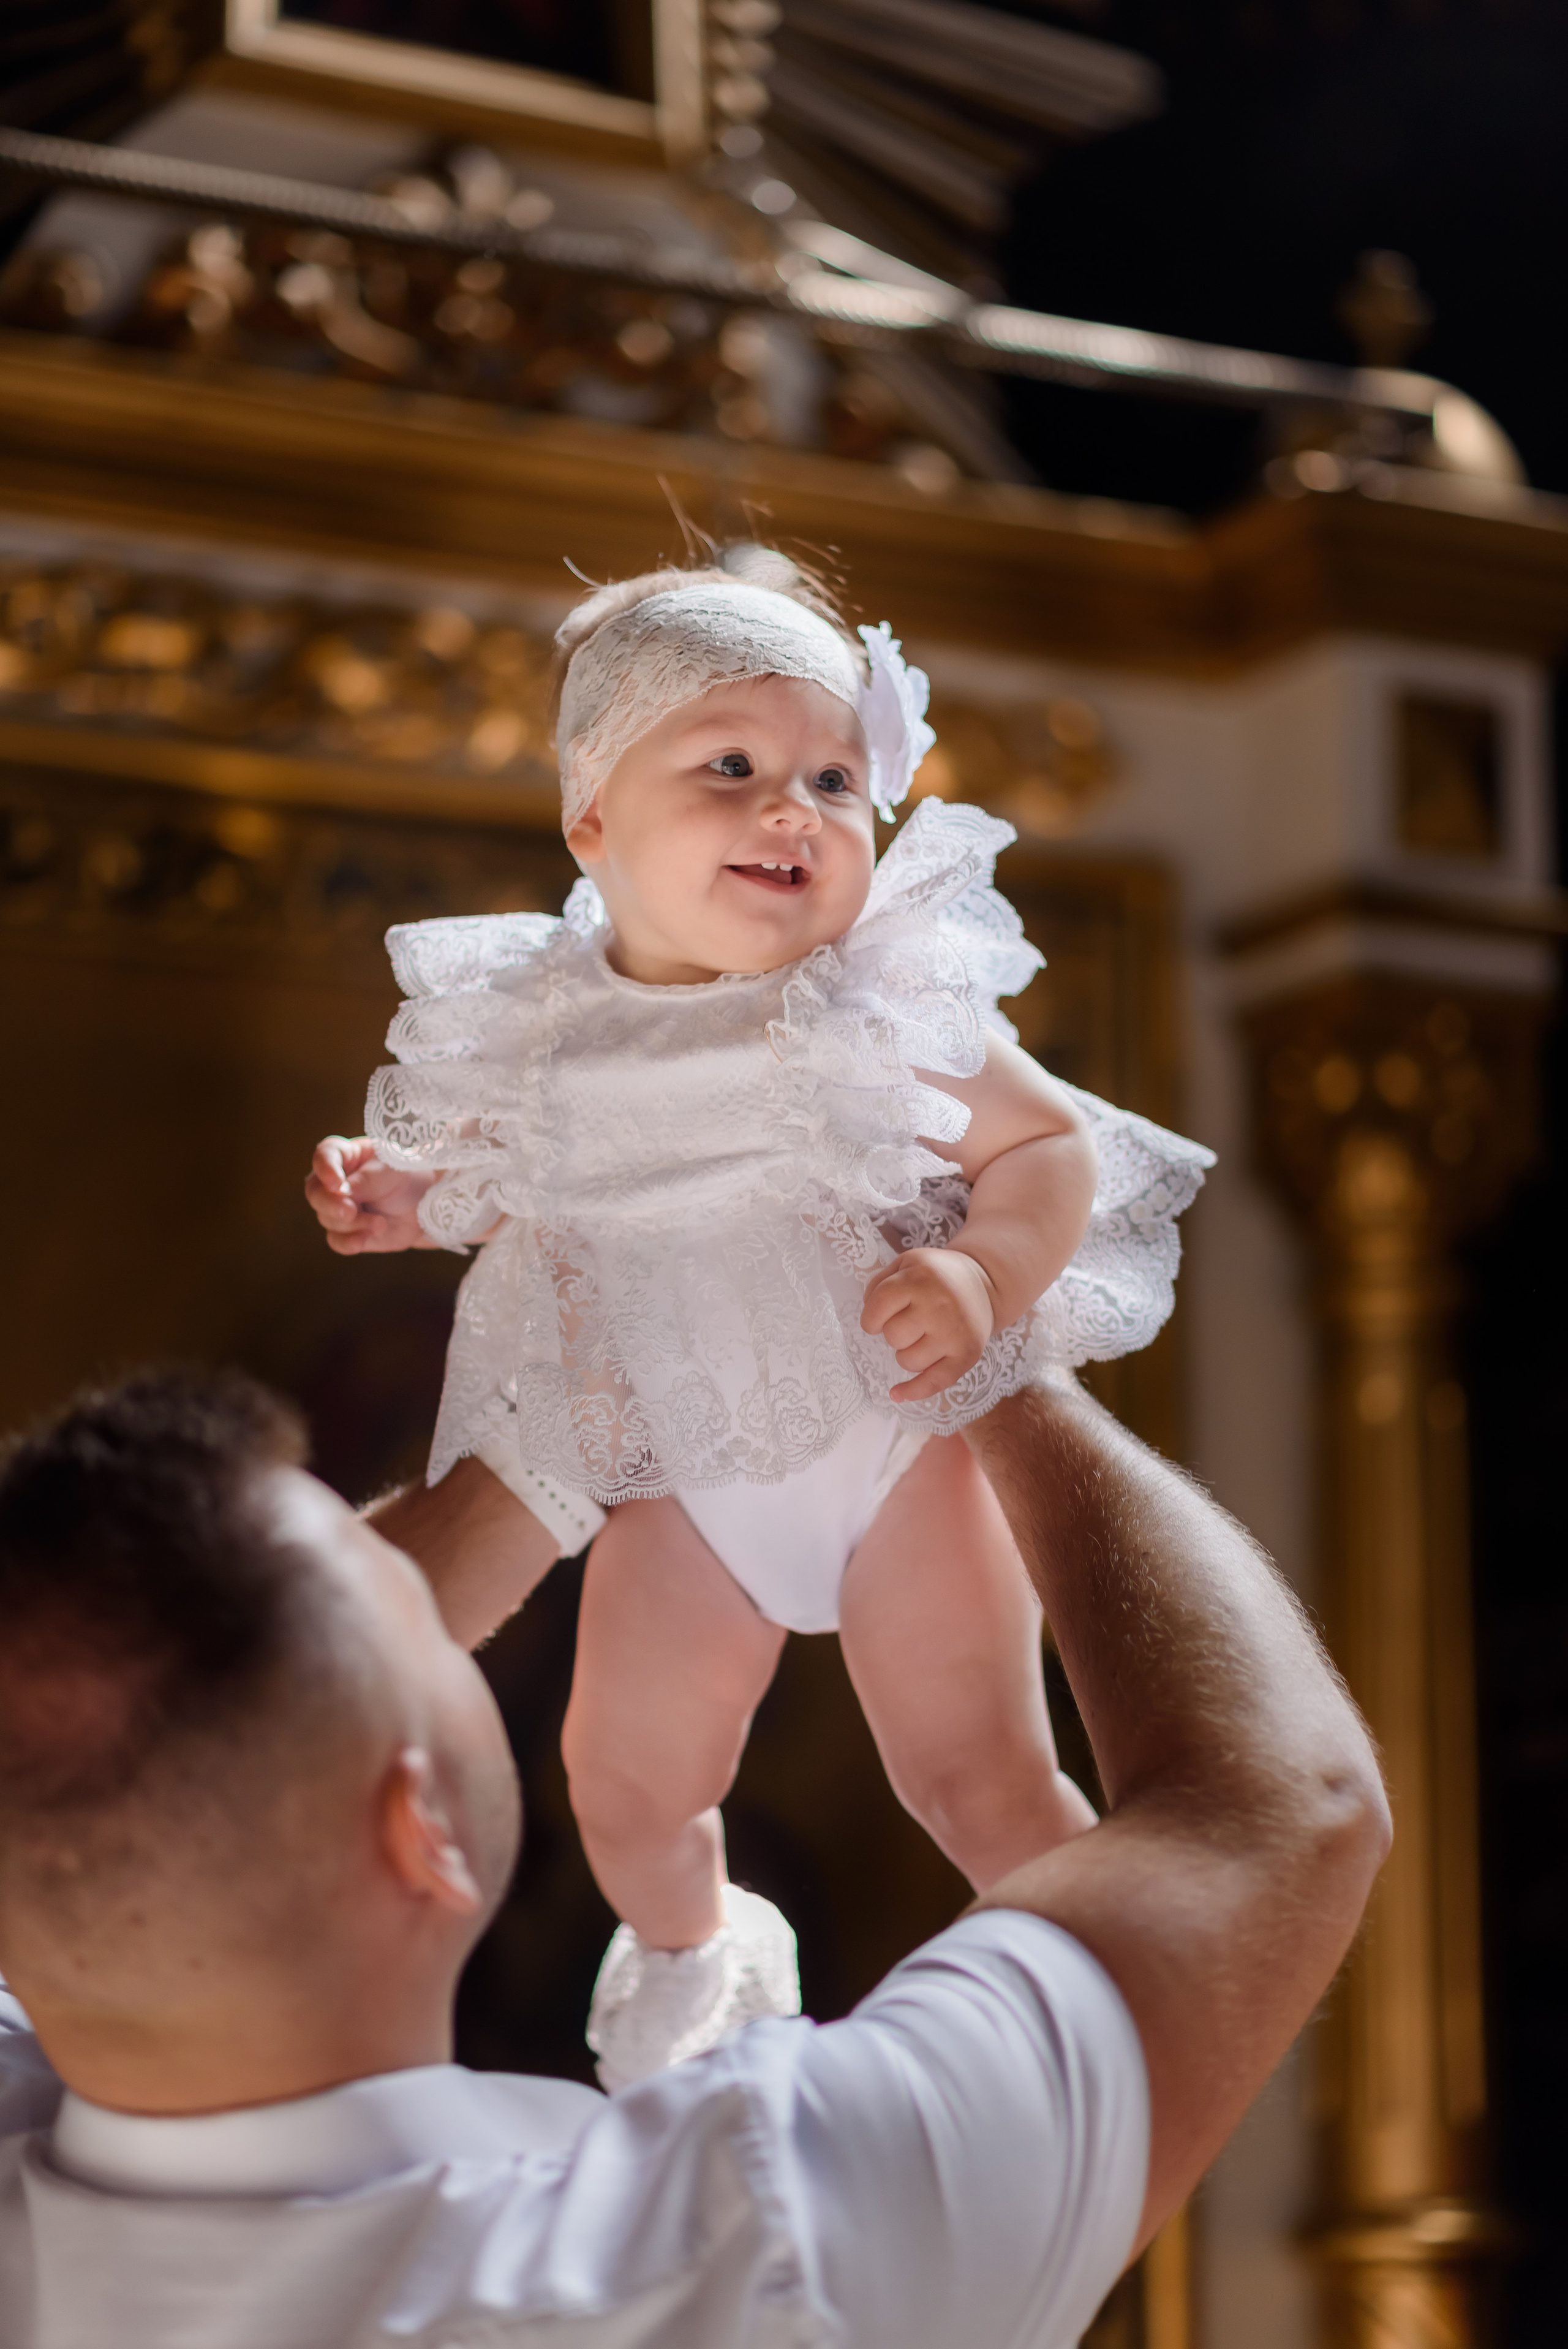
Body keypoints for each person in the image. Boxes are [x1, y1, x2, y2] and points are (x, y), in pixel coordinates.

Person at [306, 544, 1214, 2085]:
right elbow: (537, 1183)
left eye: (833, 781)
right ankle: (700, 1968)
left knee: (972, 1776)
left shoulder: (869, 1005)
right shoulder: (545, 1025)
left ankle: (1119, 2010)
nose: (792, 809)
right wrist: (406, 1195)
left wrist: (981, 1274)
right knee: (624, 1787)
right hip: (689, 1472)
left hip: (895, 1448)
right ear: (592, 820)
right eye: (729, 768)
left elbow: (1049, 1148)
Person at [0, 1364, 1389, 2349]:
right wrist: (999, 1358)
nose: (445, 1605)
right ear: (417, 1832)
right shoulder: (758, 2244)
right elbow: (1284, 1806)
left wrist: (534, 1467)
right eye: (416, 1618)